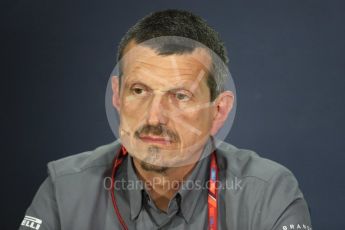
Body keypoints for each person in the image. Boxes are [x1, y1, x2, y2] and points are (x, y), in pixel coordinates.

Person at [19, 9, 312, 230]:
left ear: (219, 111)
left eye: (180, 96)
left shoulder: (268, 193)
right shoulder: (66, 189)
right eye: (139, 90)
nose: (154, 115)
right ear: (117, 96)